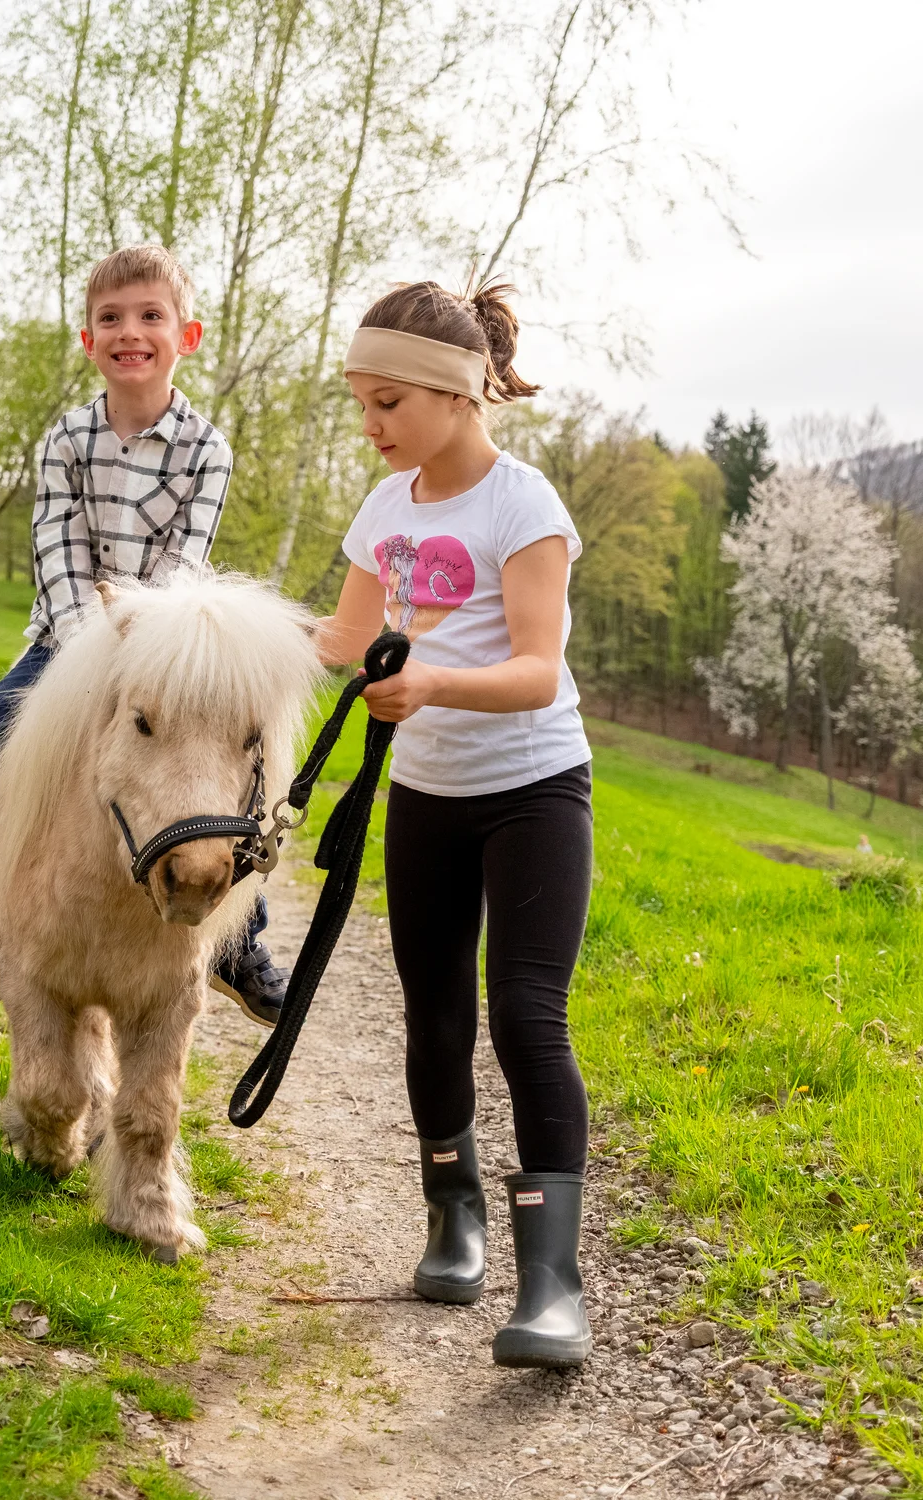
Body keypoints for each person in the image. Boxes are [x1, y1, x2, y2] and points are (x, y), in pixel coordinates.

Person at [0, 245, 288, 1039]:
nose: (129, 332)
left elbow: (185, 566)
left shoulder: (205, 447)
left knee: (222, 780)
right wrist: (92, 657)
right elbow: (57, 554)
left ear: (190, 335)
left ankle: (239, 944)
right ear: (87, 340)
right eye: (110, 318)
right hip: (65, 644)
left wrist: (144, 651)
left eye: (151, 316)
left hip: (174, 654)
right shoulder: (67, 440)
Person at [317, 279, 595, 1369]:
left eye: (386, 403)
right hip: (424, 798)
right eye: (362, 402)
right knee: (430, 1020)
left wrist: (428, 683)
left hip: (532, 792)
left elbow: (535, 673)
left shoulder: (522, 506)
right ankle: (454, 1219)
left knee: (525, 1019)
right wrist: (198, 629)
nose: (370, 425)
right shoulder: (381, 513)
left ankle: (552, 1287)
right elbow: (338, 639)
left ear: (452, 391)